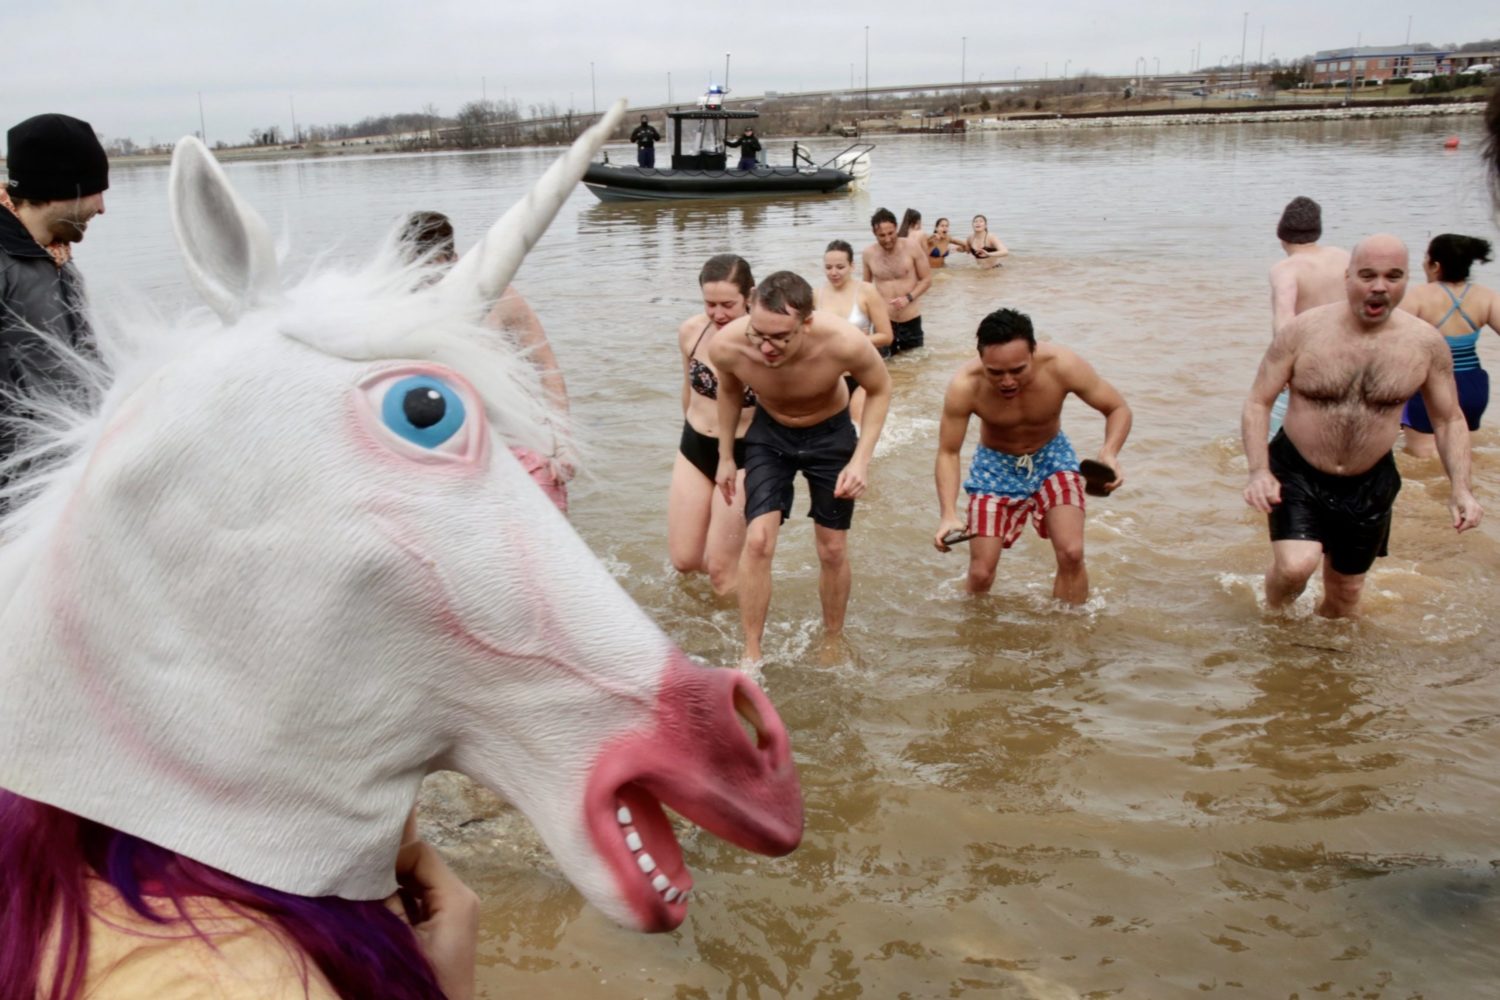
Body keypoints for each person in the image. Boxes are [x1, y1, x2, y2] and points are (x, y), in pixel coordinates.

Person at [1242, 233, 1483, 619]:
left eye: (1393, 276)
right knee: (1295, 567)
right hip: (1298, 468)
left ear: (1408, 280)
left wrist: (1461, 489)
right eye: (1367, 275)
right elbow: (1258, 401)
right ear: (1348, 277)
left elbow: (1448, 418)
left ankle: (1320, 665)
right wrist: (1258, 470)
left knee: (1347, 593)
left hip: (1370, 480)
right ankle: (1274, 619)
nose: (1379, 287)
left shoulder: (1425, 344)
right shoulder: (1303, 332)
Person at [708, 271, 891, 667]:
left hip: (831, 434)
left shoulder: (843, 342)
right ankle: (752, 651)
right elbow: (729, 390)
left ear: (806, 323)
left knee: (832, 547)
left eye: (781, 337)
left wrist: (861, 459)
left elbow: (880, 388)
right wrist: (725, 456)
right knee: (757, 541)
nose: (767, 349)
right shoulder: (728, 346)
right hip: (769, 435)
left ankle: (832, 639)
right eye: (760, 334)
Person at [933, 308, 1130, 603]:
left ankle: (1071, 636)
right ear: (982, 360)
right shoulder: (965, 385)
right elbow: (948, 452)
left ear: (1033, 352)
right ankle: (974, 640)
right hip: (994, 467)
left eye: (1018, 370)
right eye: (995, 373)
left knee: (1071, 553)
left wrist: (1109, 453)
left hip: (1052, 457)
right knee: (982, 572)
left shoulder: (1062, 365)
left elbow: (1117, 408)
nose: (1007, 381)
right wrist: (948, 513)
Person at [398, 210, 573, 512]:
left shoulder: (498, 297)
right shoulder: (394, 309)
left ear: (452, 258)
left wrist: (563, 444)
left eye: (431, 271)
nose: (424, 283)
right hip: (447, 451)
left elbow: (545, 366)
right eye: (414, 272)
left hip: (514, 439)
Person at [1, 113, 108, 503]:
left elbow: (87, 366)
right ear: (61, 189)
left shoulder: (61, 262)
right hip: (16, 502)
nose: (101, 208)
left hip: (66, 486)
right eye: (95, 191)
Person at [670, 253, 757, 594]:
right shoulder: (691, 331)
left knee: (721, 571)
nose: (717, 314)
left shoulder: (766, 341)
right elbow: (687, 390)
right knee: (684, 560)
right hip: (695, 445)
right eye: (710, 304)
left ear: (749, 297)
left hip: (744, 454)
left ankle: (732, 639)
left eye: (727, 304)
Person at [1397, 234, 1497, 457]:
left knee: (1424, 459)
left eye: (1426, 257)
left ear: (1436, 266)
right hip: (1474, 386)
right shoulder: (1487, 297)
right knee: (1460, 455)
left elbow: (1387, 342)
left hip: (1430, 385)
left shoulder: (1417, 297)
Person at [1266, 195, 1350, 437]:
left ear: (1280, 235)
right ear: (1318, 231)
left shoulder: (1286, 269)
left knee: (1279, 434)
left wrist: (1282, 366)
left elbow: (1284, 319)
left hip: (1309, 358)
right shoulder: (1342, 257)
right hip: (1350, 353)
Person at [814, 239, 892, 424]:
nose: (833, 272)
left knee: (857, 427)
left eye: (840, 267)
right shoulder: (817, 294)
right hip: (830, 376)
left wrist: (858, 340)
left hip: (862, 372)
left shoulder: (867, 291)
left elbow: (886, 336)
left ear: (852, 266)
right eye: (828, 267)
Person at [862, 207, 932, 354]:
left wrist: (908, 298)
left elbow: (927, 280)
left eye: (890, 233)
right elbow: (865, 290)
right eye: (882, 235)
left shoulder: (911, 247)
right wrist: (865, 324)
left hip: (911, 318)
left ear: (896, 228)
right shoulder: (868, 254)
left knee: (914, 367)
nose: (887, 239)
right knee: (886, 367)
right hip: (883, 322)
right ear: (874, 234)